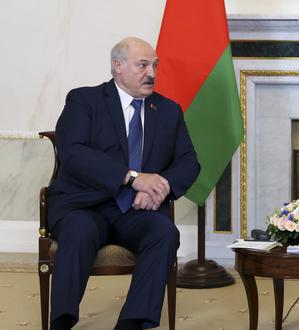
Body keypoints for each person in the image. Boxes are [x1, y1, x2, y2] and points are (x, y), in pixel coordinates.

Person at [47, 37, 200, 330]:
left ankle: (132, 323)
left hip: (136, 211)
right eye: (143, 65)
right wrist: (133, 178)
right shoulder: (84, 100)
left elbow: (188, 162)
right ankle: (62, 322)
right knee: (80, 230)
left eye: (154, 65)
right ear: (118, 66)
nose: (151, 73)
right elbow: (73, 153)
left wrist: (160, 185)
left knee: (164, 233)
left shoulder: (168, 111)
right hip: (84, 204)